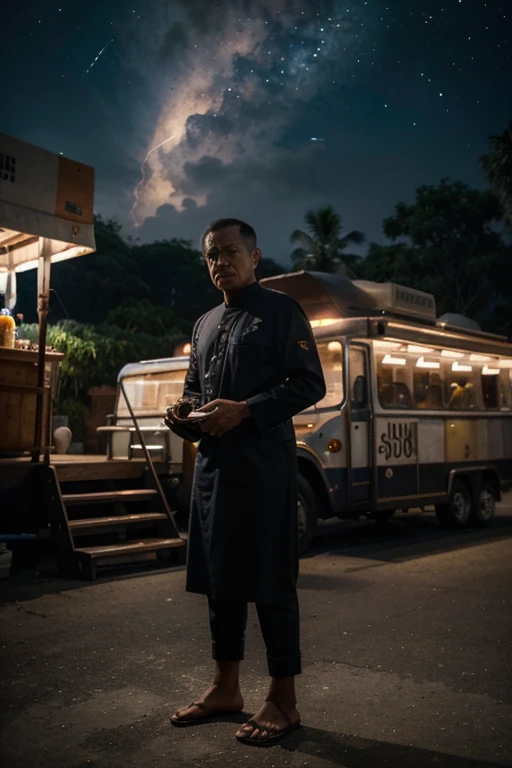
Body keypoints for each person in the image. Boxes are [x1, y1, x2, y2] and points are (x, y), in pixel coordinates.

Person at [168, 218, 326, 746]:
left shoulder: (281, 311)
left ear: (255, 257)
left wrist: (246, 410)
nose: (220, 263)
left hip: (264, 465)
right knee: (220, 578)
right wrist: (182, 413)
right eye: (212, 255)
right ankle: (225, 688)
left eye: (230, 252)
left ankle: (284, 698)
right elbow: (195, 388)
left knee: (270, 579)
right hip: (215, 466)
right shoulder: (204, 322)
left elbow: (309, 383)